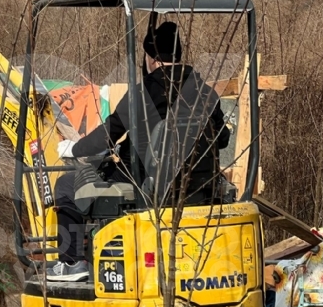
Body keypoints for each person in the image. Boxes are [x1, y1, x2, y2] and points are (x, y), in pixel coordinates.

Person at [46, 21, 230, 281]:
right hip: (199, 189)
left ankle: (72, 263)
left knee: (66, 185)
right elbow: (222, 139)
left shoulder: (143, 93)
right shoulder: (205, 92)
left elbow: (106, 137)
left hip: (146, 183)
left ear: (152, 58)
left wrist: (73, 148)